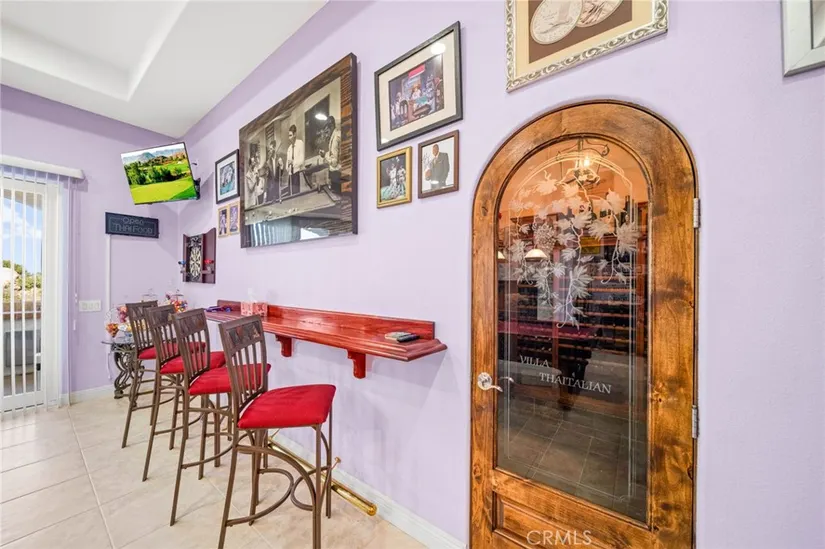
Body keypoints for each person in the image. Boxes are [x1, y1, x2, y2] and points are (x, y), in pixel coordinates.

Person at [278, 124, 304, 195]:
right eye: (288, 136)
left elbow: (301, 161)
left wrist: (293, 162)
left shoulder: (300, 143)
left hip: (297, 174)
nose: (289, 138)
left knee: (297, 195)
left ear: (295, 134)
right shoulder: (289, 148)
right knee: (291, 195)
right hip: (290, 176)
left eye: (290, 135)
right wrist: (286, 166)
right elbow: (287, 166)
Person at [318, 116, 341, 193]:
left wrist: (325, 156)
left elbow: (334, 162)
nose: (326, 134)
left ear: (331, 126)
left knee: (336, 196)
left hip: (337, 174)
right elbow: (332, 154)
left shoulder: (335, 139)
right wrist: (325, 154)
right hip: (335, 173)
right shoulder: (335, 135)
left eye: (326, 130)